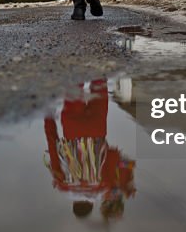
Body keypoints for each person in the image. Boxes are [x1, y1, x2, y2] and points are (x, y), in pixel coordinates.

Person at [43, 79, 135, 220]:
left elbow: (112, 159)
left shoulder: (101, 186)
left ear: (91, 204)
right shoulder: (64, 184)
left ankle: (100, 59)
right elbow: (53, 148)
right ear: (74, 203)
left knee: (99, 84)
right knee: (74, 85)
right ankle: (74, 60)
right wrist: (48, 117)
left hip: (97, 129)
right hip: (72, 127)